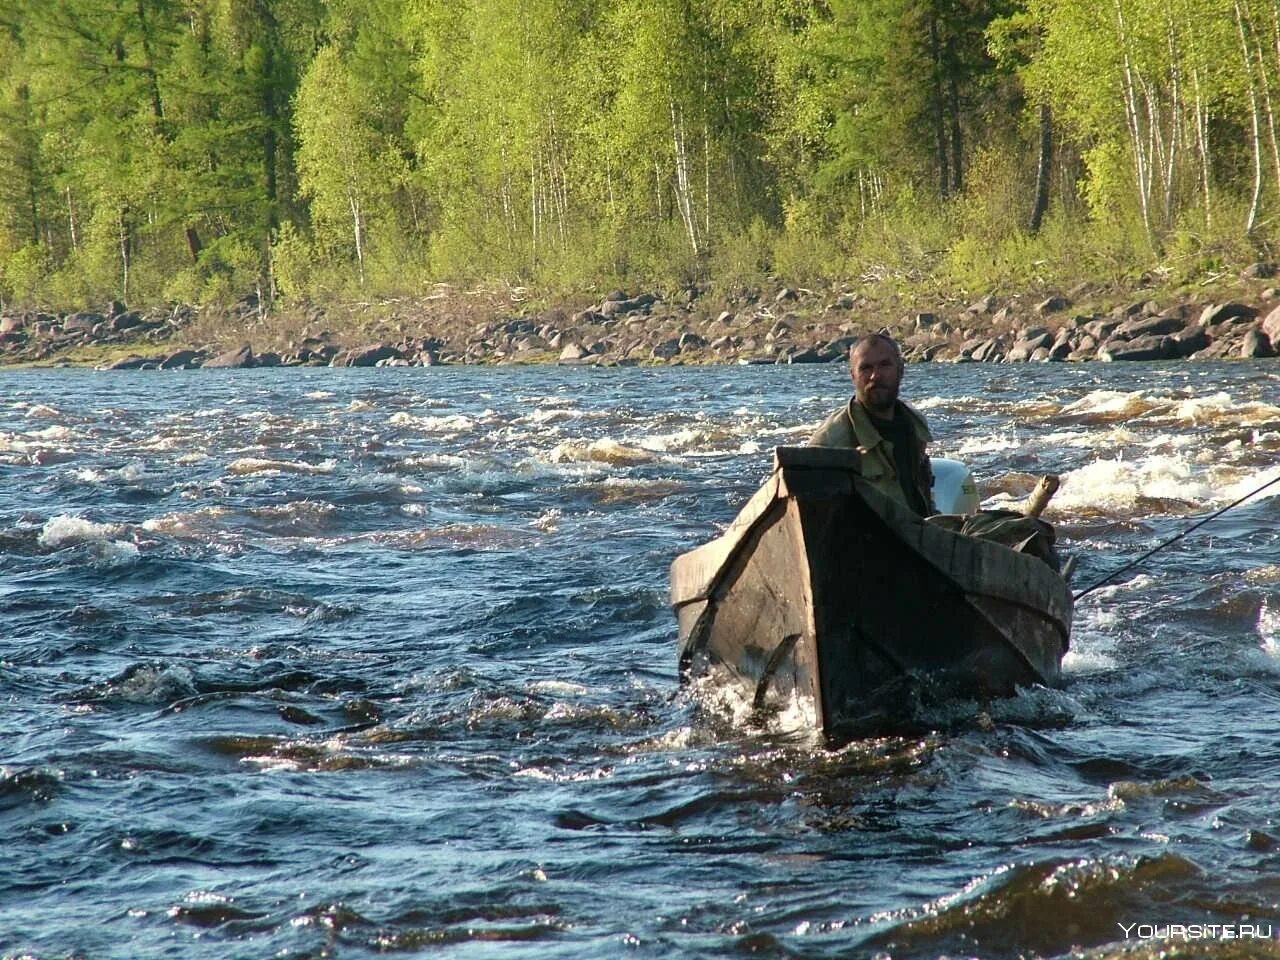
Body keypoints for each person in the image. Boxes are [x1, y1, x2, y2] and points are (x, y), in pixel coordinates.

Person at [808, 333, 936, 516]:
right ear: (853, 376)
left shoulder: (915, 425)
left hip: (918, 536)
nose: (875, 376)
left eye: (885, 365)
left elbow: (921, 498)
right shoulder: (831, 441)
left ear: (900, 370)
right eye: (866, 368)